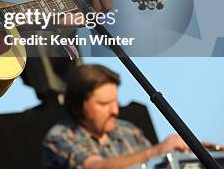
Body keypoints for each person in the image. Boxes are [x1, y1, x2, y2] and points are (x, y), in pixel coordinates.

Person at [42, 64, 188, 168]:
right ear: (79, 105)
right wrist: (158, 150)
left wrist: (185, 153)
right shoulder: (59, 137)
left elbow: (156, 164)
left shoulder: (129, 131)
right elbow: (95, 167)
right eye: (104, 104)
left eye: (116, 102)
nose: (115, 111)